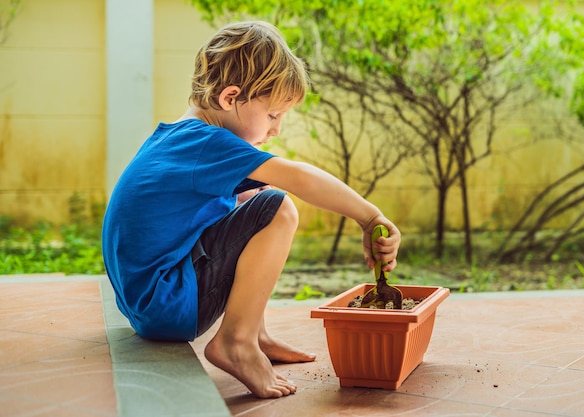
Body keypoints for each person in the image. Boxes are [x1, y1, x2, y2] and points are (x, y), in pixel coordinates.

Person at [102, 20, 401, 399]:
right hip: (168, 304)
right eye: (273, 115)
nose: (276, 129)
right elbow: (300, 178)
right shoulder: (207, 143)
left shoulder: (176, 137)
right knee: (278, 208)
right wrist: (369, 216)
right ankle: (236, 343)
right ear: (230, 98)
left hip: (146, 303)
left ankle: (254, 335)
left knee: (256, 196)